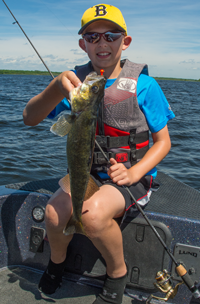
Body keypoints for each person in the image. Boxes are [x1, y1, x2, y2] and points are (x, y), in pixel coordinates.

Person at [23, 3, 175, 304]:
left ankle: (117, 273)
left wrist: (134, 172)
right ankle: (57, 262)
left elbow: (163, 142)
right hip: (86, 174)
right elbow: (30, 117)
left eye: (111, 35)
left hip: (129, 180)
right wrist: (55, 88)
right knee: (54, 213)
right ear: (83, 44)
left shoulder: (145, 86)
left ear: (125, 41)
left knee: (91, 217)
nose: (102, 43)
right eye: (92, 37)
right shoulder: (76, 87)